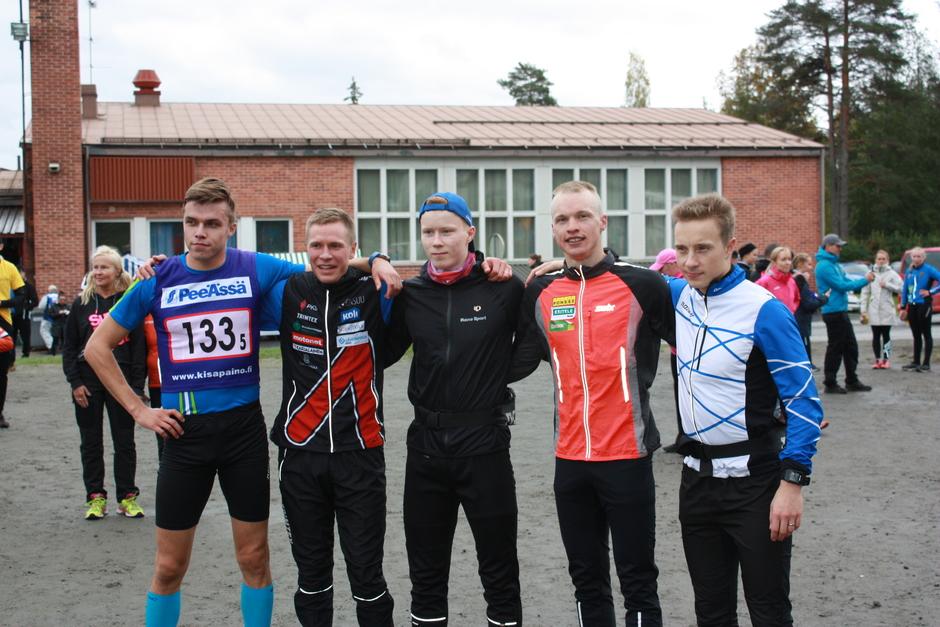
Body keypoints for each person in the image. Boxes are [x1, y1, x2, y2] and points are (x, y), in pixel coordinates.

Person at [84, 177, 307, 627]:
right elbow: (96, 347)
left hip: (243, 432)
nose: (199, 232)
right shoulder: (157, 279)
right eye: (191, 222)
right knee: (169, 566)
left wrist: (377, 261)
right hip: (184, 434)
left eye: (211, 223)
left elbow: (328, 264)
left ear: (231, 227)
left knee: (254, 557)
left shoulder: (254, 267)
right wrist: (139, 410)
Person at [511, 181, 673, 626]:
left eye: (582, 216)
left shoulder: (644, 284)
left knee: (638, 579)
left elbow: (695, 340)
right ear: (553, 229)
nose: (573, 227)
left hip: (627, 456)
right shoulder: (541, 292)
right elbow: (516, 360)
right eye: (562, 219)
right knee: (586, 579)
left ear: (602, 222)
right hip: (570, 460)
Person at [670, 193, 824, 626]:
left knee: (768, 610)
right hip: (696, 482)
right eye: (682, 248)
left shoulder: (765, 310)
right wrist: (559, 268)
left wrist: (793, 481)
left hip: (756, 484)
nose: (690, 261)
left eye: (703, 248)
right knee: (711, 611)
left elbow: (803, 401)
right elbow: (618, 276)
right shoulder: (678, 294)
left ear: (730, 246)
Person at [387, 191, 524, 627]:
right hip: (426, 448)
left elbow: (533, 343)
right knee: (425, 574)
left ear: (469, 232)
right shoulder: (410, 294)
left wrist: (494, 374)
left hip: (484, 446)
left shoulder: (503, 287)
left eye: (446, 231)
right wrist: (373, 262)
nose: (436, 241)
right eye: (428, 232)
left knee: (499, 569)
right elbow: (383, 351)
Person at [270, 208, 397, 626]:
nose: (325, 254)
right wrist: (161, 268)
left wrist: (377, 260)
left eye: (336, 246)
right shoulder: (290, 289)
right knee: (312, 578)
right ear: (304, 248)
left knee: (367, 576)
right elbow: (219, 265)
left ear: (352, 248)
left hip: (359, 454)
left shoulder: (373, 291)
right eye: (316, 245)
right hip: (299, 456)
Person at [62, 245, 147, 520]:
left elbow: (138, 349)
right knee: (91, 442)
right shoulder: (81, 304)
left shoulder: (127, 302)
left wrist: (136, 387)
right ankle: (95, 498)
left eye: (104, 267)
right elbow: (69, 348)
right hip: (88, 383)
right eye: (95, 267)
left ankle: (127, 497)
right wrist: (75, 383)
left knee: (125, 442)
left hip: (121, 383)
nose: (98, 272)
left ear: (117, 271)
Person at [814, 233, 875, 394]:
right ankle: (830, 382)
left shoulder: (834, 264)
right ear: (828, 246)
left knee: (850, 346)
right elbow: (841, 286)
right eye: (837, 246)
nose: (840, 248)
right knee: (836, 348)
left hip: (840, 310)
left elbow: (847, 281)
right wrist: (865, 280)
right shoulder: (824, 266)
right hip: (833, 312)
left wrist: (863, 280)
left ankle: (851, 380)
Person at [899, 246, 940, 372]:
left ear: (923, 257)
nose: (916, 259)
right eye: (914, 256)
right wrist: (903, 307)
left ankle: (926, 363)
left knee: (926, 333)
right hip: (912, 305)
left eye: (919, 256)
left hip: (924, 305)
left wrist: (930, 292)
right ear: (911, 257)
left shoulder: (929, 269)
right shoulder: (909, 271)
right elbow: (905, 289)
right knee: (916, 335)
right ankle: (916, 362)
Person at [860, 250, 902, 369]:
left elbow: (901, 288)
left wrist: (888, 285)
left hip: (887, 308)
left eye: (883, 259)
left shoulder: (892, 274)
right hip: (873, 309)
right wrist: (863, 310)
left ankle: (886, 359)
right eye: (879, 259)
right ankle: (877, 359)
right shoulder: (870, 274)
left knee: (886, 336)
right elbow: (865, 292)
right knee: (876, 336)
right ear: (875, 260)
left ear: (887, 260)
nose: (881, 261)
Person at [0, 241, 26, 429]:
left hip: (3, 322)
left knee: (2, 372)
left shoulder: (9, 268)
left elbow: (22, 296)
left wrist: (3, 303)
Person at [792, 253, 828, 372]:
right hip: (801, 319)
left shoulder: (796, 278)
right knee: (804, 343)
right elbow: (808, 303)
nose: (811, 267)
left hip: (799, 318)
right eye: (809, 264)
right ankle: (807, 365)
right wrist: (823, 299)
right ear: (800, 264)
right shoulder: (799, 279)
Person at [756, 246, 800, 313]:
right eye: (783, 259)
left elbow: (796, 299)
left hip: (788, 319)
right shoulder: (764, 281)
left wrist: (791, 311)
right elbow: (755, 302)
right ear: (774, 262)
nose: (788, 263)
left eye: (789, 259)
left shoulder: (791, 281)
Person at [13, 268, 37, 357]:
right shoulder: (12, 287)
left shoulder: (29, 287)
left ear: (24, 274)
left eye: (20, 273)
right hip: (13, 314)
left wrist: (27, 308)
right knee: (12, 335)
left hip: (24, 315)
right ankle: (11, 353)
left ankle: (26, 352)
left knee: (25, 335)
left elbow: (35, 301)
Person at [37, 284, 60, 351]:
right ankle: (57, 345)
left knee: (44, 331)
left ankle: (51, 346)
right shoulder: (58, 296)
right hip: (58, 318)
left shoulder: (47, 297)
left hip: (48, 318)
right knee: (55, 333)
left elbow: (41, 306)